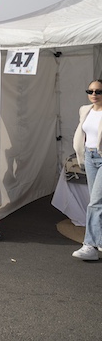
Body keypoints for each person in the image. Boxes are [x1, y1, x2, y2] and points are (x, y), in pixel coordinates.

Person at [71, 80, 102, 260]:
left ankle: (89, 245)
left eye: (98, 91)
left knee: (95, 203)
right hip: (89, 158)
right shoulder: (85, 110)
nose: (94, 94)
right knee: (96, 201)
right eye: (90, 91)